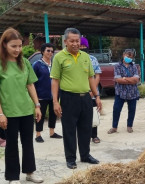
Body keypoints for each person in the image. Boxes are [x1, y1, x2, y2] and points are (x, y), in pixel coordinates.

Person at [0, 27, 44, 184]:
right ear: (4, 45)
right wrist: (0, 113)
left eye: (20, 46)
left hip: (26, 109)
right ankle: (13, 176)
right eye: (13, 46)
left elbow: (30, 85)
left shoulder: (25, 62)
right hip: (8, 112)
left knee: (28, 142)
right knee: (12, 144)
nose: (17, 49)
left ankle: (30, 172)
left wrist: (37, 105)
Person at [51, 28, 102, 169]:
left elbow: (91, 78)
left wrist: (97, 96)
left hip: (85, 97)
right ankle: (71, 158)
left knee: (86, 128)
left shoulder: (85, 57)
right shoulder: (59, 57)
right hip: (68, 98)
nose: (75, 43)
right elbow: (55, 80)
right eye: (72, 41)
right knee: (69, 130)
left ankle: (85, 155)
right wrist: (55, 102)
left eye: (77, 41)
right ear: (65, 41)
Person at [32, 43, 62, 143]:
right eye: (48, 50)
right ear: (43, 51)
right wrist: (35, 95)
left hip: (53, 95)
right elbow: (32, 81)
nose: (50, 53)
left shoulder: (54, 65)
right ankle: (38, 134)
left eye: (52, 51)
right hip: (41, 95)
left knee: (54, 113)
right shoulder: (37, 64)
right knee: (41, 114)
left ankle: (52, 132)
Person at [107, 48, 139, 134]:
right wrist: (130, 80)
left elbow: (136, 79)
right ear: (123, 55)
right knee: (116, 109)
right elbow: (118, 80)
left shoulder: (134, 67)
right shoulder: (117, 66)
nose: (129, 57)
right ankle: (114, 127)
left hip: (132, 92)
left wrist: (124, 78)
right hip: (120, 92)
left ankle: (129, 126)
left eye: (131, 56)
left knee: (132, 109)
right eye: (127, 55)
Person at [79, 37, 102, 143]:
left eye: (84, 46)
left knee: (93, 114)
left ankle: (94, 135)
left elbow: (97, 76)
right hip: (79, 92)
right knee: (80, 116)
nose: (83, 48)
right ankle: (83, 136)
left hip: (92, 93)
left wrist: (93, 91)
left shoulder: (93, 59)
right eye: (81, 46)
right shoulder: (75, 59)